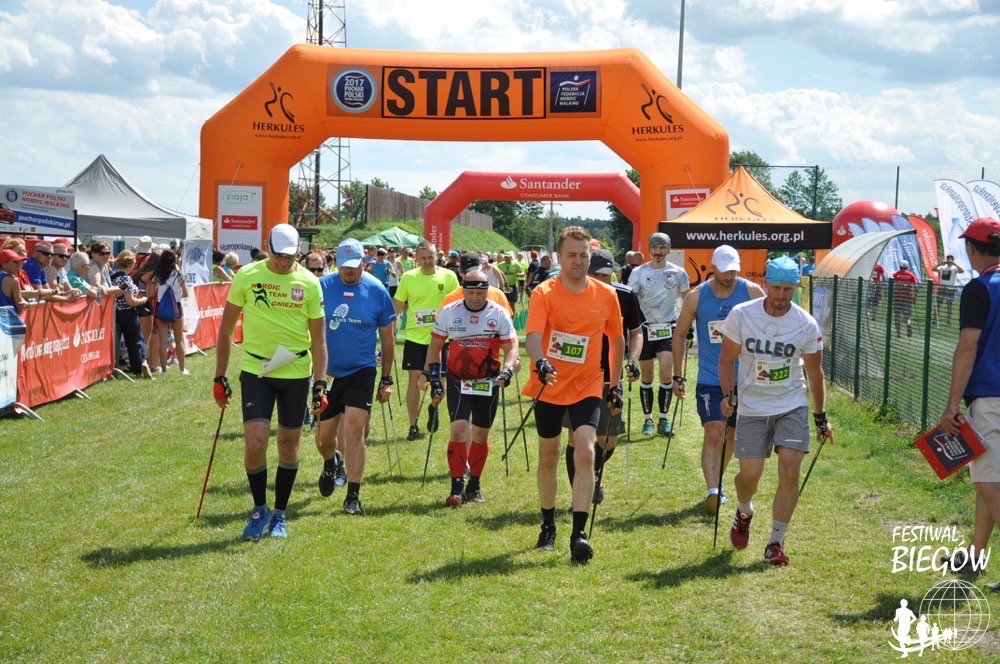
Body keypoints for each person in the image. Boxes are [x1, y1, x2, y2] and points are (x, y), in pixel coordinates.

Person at [214, 223, 328, 540]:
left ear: (298, 253)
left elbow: (319, 340)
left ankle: (279, 513)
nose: (283, 262)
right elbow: (225, 330)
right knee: (255, 443)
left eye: (289, 257)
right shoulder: (247, 276)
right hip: (256, 370)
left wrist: (320, 384)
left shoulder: (309, 283)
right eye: (278, 255)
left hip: (296, 372)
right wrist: (219, 375)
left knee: (288, 445)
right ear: (268, 247)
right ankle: (259, 509)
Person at [718, 256, 833, 566]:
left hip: (791, 403)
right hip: (752, 407)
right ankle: (744, 510)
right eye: (777, 287)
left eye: (788, 289)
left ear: (796, 288)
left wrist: (820, 417)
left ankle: (775, 543)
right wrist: (728, 395)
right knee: (750, 475)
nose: (782, 295)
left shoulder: (805, 324)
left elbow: (815, 372)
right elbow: (726, 360)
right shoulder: (742, 315)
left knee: (790, 467)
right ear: (765, 284)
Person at [524, 227, 624, 563]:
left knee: (585, 451)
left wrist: (615, 383)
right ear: (559, 257)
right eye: (572, 255)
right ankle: (548, 524)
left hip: (587, 384)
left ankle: (578, 534)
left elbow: (616, 339)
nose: (578, 261)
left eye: (584, 255)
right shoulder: (544, 292)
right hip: (550, 383)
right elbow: (533, 336)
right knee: (549, 455)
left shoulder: (605, 294)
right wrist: (541, 362)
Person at [672, 245, 765, 514]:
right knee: (714, 431)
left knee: (731, 434)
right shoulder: (696, 297)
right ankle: (712, 490)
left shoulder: (752, 292)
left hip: (745, 379)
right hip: (711, 378)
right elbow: (680, 334)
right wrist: (678, 374)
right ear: (713, 268)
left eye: (733, 270)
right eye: (724, 271)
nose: (729, 276)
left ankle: (718, 482)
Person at [419, 268, 517, 507]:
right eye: (470, 293)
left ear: (487, 291)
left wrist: (507, 370)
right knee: (458, 430)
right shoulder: (449, 312)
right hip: (458, 381)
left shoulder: (499, 313)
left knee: (480, 436)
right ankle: (456, 489)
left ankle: (474, 484)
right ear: (463, 291)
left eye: (480, 293)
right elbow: (435, 347)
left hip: (488, 382)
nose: (475, 298)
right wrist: (435, 379)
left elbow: (511, 347)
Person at [316, 238, 396, 516]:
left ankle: (353, 496)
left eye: (354, 265)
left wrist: (386, 379)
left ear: (364, 262)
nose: (348, 271)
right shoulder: (321, 287)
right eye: (343, 266)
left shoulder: (376, 290)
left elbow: (388, 339)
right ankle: (331, 462)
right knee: (324, 439)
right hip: (327, 372)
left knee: (355, 429)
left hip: (362, 370)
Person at [940, 217, 1000, 572]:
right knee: (989, 479)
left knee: (988, 481)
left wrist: (951, 406)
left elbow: (967, 349)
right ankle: (975, 556)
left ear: (971, 248)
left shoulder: (980, 288)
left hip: (991, 399)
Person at [564, 249, 643, 503]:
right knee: (576, 437)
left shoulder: (625, 295)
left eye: (606, 275)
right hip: (578, 376)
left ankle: (593, 470)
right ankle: (580, 491)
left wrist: (633, 359)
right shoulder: (571, 293)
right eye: (596, 275)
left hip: (611, 377)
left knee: (608, 440)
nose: (601, 280)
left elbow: (636, 332)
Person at [393, 240, 460, 440]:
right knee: (414, 381)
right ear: (416, 259)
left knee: (440, 384)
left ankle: (433, 406)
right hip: (415, 338)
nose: (427, 261)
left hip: (442, 339)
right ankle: (413, 425)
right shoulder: (409, 277)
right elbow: (397, 305)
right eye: (423, 258)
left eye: (431, 257)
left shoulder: (448, 276)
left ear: (437, 256)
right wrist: (390, 328)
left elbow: (458, 304)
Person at [628, 232, 690, 436]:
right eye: (654, 247)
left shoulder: (678, 272)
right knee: (647, 375)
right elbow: (631, 301)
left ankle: (663, 419)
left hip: (668, 328)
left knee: (665, 373)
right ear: (649, 249)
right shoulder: (638, 272)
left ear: (668, 249)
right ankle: (648, 420)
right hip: (645, 329)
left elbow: (688, 300)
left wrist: (688, 326)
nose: (658, 252)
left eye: (662, 248)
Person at [109, 250, 153, 379]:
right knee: (135, 341)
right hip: (128, 313)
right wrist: (143, 300)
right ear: (131, 264)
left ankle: (139, 364)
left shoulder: (112, 275)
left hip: (115, 313)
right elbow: (131, 301)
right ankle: (140, 368)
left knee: (128, 341)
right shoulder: (126, 279)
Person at [149, 249, 189, 374]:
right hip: (176, 306)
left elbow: (151, 293)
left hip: (161, 307)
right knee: (179, 340)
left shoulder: (157, 276)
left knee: (163, 341)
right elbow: (185, 293)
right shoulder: (179, 275)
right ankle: (182, 369)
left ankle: (164, 370)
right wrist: (177, 295)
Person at [932, 254, 965, 324]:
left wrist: (954, 264)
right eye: (948, 259)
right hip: (942, 288)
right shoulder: (942, 267)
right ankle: (935, 319)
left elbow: (962, 271)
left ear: (952, 260)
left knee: (949, 305)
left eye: (950, 259)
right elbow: (933, 269)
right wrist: (940, 264)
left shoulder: (954, 268)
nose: (949, 260)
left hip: (950, 288)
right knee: (938, 304)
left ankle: (948, 320)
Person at [891, 259, 919, 338]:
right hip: (908, 298)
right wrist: (914, 297)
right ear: (907, 266)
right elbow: (916, 286)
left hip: (897, 298)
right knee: (907, 317)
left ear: (899, 266)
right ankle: (908, 325)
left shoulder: (896, 275)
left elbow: (892, 283)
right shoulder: (911, 275)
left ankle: (899, 334)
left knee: (897, 316)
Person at [0, 249, 28, 316]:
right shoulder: (13, 280)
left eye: (18, 262)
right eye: (15, 262)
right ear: (4, 264)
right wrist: (27, 304)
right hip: (7, 319)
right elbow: (20, 303)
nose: (18, 265)